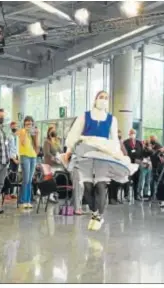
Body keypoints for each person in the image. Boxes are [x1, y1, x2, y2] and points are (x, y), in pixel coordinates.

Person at [64, 91, 134, 231]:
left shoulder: (111, 119)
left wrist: (118, 155)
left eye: (106, 98)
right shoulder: (85, 116)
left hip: (103, 154)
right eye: (101, 97)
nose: (103, 100)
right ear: (95, 99)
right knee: (88, 187)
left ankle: (99, 215)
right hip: (86, 152)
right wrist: (69, 151)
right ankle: (95, 211)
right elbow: (74, 133)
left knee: (101, 185)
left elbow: (114, 139)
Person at [17, 116, 40, 209]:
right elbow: (22, 142)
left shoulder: (33, 133)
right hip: (25, 156)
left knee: (30, 180)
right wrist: (26, 131)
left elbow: (37, 146)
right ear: (24, 124)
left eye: (30, 124)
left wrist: (36, 135)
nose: (29, 125)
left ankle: (28, 200)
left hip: (33, 156)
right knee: (26, 179)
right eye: (27, 124)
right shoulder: (22, 131)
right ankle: (23, 201)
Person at [108, 130, 129, 205]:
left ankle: (115, 198)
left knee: (117, 182)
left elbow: (125, 153)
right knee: (112, 182)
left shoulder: (120, 142)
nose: (119, 136)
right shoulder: (110, 142)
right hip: (111, 164)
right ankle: (111, 198)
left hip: (118, 164)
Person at [123, 129, 144, 201]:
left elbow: (142, 153)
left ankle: (136, 195)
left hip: (137, 164)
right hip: (129, 164)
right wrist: (133, 160)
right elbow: (125, 153)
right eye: (131, 133)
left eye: (134, 133)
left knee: (137, 180)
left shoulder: (139, 143)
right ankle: (126, 195)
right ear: (129, 134)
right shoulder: (125, 142)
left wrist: (140, 160)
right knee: (128, 180)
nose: (133, 134)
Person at [2, 121, 19, 200]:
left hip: (17, 158)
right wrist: (12, 158)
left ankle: (12, 192)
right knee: (8, 175)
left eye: (15, 126)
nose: (14, 127)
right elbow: (5, 148)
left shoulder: (18, 137)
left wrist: (18, 158)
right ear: (11, 127)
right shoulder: (8, 137)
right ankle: (6, 193)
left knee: (14, 176)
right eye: (13, 126)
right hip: (10, 158)